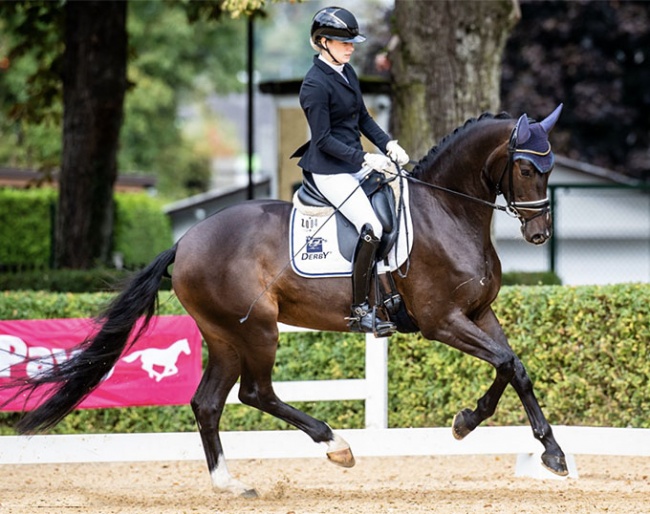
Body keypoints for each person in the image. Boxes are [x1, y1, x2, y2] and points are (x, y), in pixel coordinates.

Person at [293, 6, 410, 336]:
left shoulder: (347, 72)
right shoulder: (314, 85)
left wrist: (388, 145)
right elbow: (324, 139)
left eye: (351, 42)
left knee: (400, 202)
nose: (351, 47)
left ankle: (392, 290)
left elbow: (363, 118)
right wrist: (364, 159)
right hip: (330, 169)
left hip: (353, 161)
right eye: (344, 42)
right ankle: (360, 309)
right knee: (370, 226)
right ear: (322, 42)